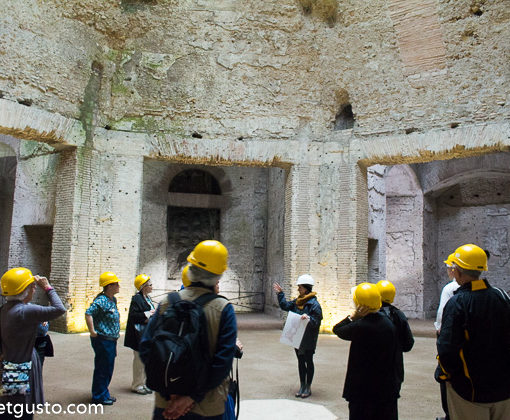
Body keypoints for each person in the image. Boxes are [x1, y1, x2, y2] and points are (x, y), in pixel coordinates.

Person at [142, 240, 237, 420]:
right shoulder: (223, 308)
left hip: (166, 405)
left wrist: (170, 393)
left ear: (191, 268)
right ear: (218, 276)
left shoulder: (167, 302)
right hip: (206, 408)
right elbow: (223, 362)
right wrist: (190, 398)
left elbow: (147, 348)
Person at [437, 244, 510, 420]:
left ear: (457, 271)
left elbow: (447, 349)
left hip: (470, 391)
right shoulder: (501, 295)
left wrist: (445, 375)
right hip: (504, 388)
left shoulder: (458, 303)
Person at [0, 267, 65, 419]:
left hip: (9, 363)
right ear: (25, 290)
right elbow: (59, 308)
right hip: (21, 365)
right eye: (32, 287)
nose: (35, 289)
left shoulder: (4, 309)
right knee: (20, 408)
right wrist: (48, 287)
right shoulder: (24, 311)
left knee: (9, 405)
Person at [333, 282, 399, 420]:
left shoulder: (361, 326)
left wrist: (354, 316)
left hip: (362, 390)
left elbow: (337, 330)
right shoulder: (388, 323)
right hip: (385, 387)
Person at [273, 274, 323, 398]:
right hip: (298, 337)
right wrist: (280, 294)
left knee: (308, 361)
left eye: (300, 287)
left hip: (308, 339)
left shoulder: (314, 305)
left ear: (306, 288)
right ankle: (302, 385)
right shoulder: (297, 302)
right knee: (301, 361)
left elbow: (317, 322)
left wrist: (308, 318)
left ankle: (308, 387)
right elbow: (285, 306)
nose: (298, 289)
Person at [85, 271, 121, 406]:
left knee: (108, 368)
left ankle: (104, 393)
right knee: (102, 368)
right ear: (109, 286)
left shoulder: (112, 299)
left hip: (111, 340)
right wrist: (92, 331)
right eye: (116, 284)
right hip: (103, 340)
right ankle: (98, 396)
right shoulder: (101, 300)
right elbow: (88, 313)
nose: (118, 286)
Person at [376, 280, 414, 396]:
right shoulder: (399, 315)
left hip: (374, 369)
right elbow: (408, 343)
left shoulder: (370, 316)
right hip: (394, 367)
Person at [434, 253, 459, 420]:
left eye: (449, 268)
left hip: (450, 339)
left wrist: (439, 330)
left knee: (448, 377)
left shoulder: (450, 289)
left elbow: (442, 314)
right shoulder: (495, 293)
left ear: (454, 270)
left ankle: (450, 414)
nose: (448, 271)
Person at [124, 273, 156, 395]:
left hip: (147, 334)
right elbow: (134, 316)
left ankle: (144, 383)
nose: (152, 287)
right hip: (139, 335)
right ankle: (137, 385)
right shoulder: (136, 299)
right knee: (139, 361)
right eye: (150, 285)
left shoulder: (147, 298)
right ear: (143, 286)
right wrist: (149, 313)